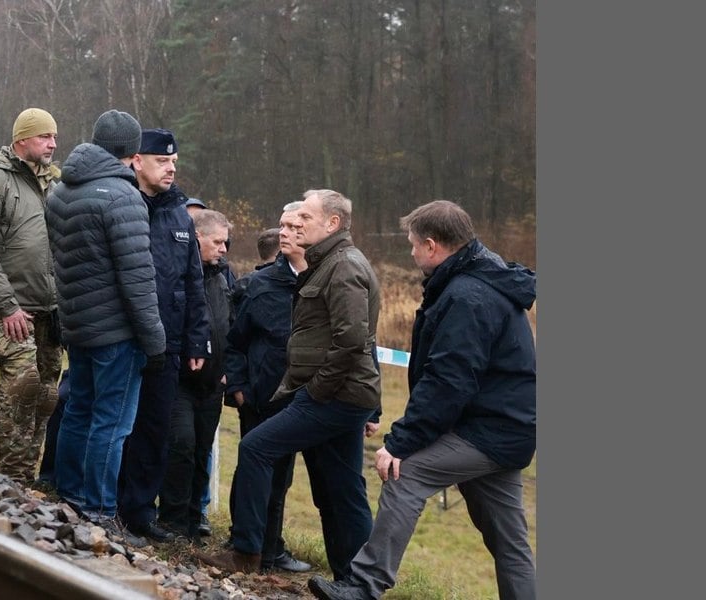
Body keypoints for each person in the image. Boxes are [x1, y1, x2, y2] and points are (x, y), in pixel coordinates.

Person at [308, 200, 537, 600]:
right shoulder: (476, 278)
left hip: (488, 431)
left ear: (432, 246)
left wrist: (402, 442)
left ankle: (363, 586)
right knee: (510, 544)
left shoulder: (467, 296)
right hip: (503, 428)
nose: (411, 253)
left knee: (405, 473)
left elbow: (449, 380)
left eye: (413, 245)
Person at [199, 188, 381, 576]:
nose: (296, 224)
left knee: (257, 448)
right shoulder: (326, 263)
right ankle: (353, 580)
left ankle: (246, 553)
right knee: (339, 489)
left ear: (332, 223)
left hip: (333, 396)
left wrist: (315, 391)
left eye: (306, 217)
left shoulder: (344, 267)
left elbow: (353, 340)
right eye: (293, 219)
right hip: (336, 394)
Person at [44, 109, 166, 531]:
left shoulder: (61, 191)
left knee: (78, 410)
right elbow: (138, 277)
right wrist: (155, 340)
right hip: (117, 330)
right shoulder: (123, 197)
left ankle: (69, 496)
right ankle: (99, 510)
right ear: (132, 152)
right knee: (111, 423)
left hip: (77, 323)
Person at [117, 128, 210, 544]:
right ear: (137, 161)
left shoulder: (179, 215)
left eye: (174, 162)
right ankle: (104, 503)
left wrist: (196, 339)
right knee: (117, 424)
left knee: (155, 430)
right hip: (124, 336)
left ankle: (139, 513)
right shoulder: (122, 203)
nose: (171, 169)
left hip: (169, 342)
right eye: (162, 161)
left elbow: (193, 282)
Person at [0, 107, 63, 484]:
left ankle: (27, 479)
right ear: (22, 139)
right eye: (44, 137)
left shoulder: (54, 185)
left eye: (54, 137)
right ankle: (11, 481)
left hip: (49, 311)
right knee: (22, 389)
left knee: (46, 397)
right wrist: (7, 305)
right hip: (9, 310)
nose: (52, 144)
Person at [221, 202, 312, 574]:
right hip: (260, 398)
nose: (286, 233)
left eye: (294, 227)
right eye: (282, 226)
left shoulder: (329, 281)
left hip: (307, 400)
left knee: (283, 479)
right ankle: (244, 547)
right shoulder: (258, 285)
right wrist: (239, 387)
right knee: (255, 471)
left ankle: (271, 551)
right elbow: (235, 341)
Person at [158, 209, 233, 541]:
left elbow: (232, 325)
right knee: (181, 445)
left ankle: (193, 518)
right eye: (217, 242)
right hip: (179, 380)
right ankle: (171, 520)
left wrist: (230, 369)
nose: (223, 249)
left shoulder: (223, 277)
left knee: (202, 450)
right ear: (197, 238)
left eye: (225, 243)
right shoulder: (177, 275)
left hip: (213, 383)